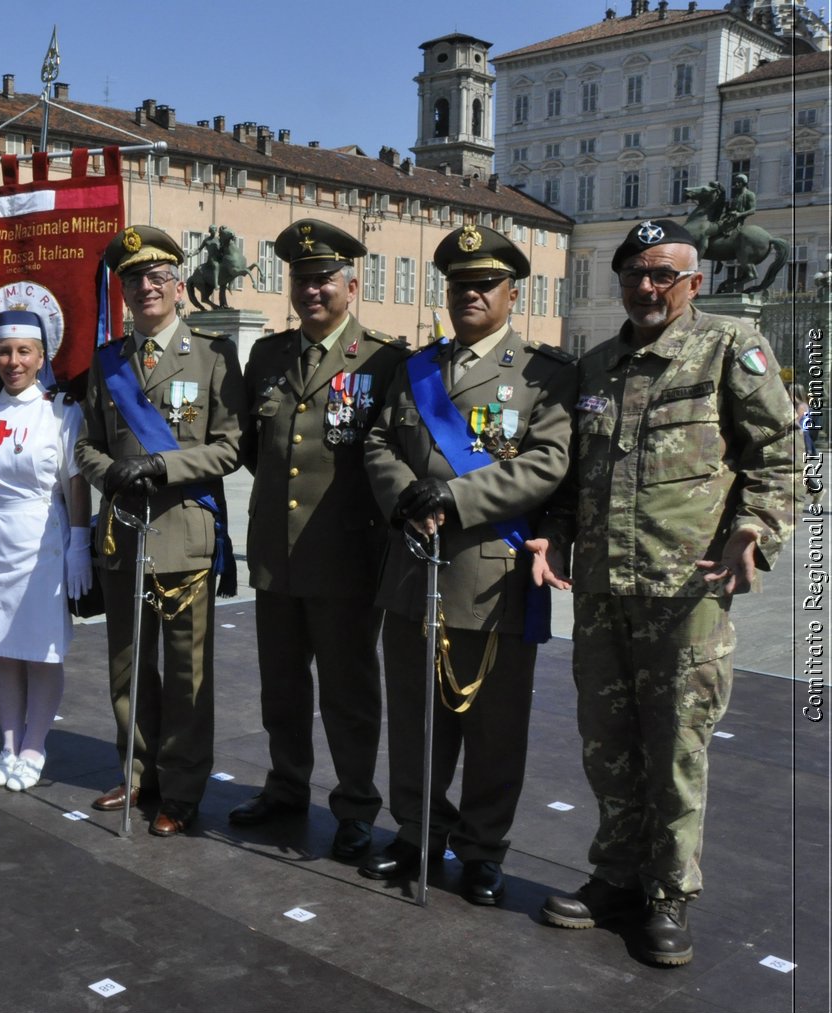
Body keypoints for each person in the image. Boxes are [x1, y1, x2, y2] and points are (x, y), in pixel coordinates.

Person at [531, 219, 797, 966]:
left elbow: (777, 454)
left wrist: (754, 530)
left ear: (694, 282)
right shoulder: (596, 365)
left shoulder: (726, 351)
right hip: (602, 592)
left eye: (662, 274)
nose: (645, 287)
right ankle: (617, 874)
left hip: (687, 592)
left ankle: (669, 893)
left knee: (677, 745)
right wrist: (552, 527)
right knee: (608, 744)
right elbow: (572, 471)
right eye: (634, 273)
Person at [360, 223, 576, 903]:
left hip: (494, 577)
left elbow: (548, 464)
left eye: (484, 284)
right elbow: (375, 442)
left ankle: (484, 848)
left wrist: (450, 496)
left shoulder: (543, 374)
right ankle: (417, 831)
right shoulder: (413, 368)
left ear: (514, 293)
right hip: (412, 570)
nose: (470, 295)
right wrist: (406, 499)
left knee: (494, 727)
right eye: (459, 284)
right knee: (417, 718)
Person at [234, 219, 408, 860]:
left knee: (348, 691)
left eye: (324, 279)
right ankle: (286, 786)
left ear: (351, 285)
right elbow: (258, 450)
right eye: (302, 280)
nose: (312, 290)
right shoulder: (268, 357)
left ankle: (357, 806)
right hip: (277, 554)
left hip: (346, 557)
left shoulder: (387, 361)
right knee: (280, 686)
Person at [75, 225, 244, 837]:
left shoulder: (213, 356)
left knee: (186, 671)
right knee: (128, 665)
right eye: (132, 280)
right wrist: (114, 474)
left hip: (184, 534)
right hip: (123, 533)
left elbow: (231, 447)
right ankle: (136, 769)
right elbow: (86, 445)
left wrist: (163, 465)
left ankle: (183, 787)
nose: (145, 288)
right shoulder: (108, 361)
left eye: (155, 277)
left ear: (177, 285)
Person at [0, 308, 91, 792]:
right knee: (4, 650)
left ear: (41, 357)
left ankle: (35, 746)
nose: (13, 361)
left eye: (23, 352)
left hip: (42, 542)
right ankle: (9, 745)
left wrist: (79, 546)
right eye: (5, 351)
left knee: (42, 650)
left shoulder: (61, 412)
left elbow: (76, 484)